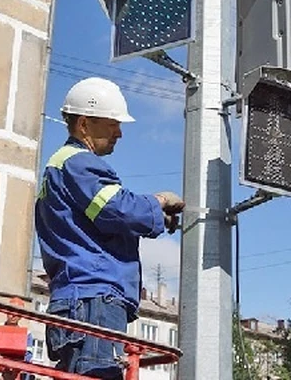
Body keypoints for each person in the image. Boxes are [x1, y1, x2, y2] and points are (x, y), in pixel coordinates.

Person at [34, 77, 184, 379]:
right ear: (85, 124)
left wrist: (150, 216)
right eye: (112, 123)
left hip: (82, 298)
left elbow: (102, 219)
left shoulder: (63, 167)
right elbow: (117, 209)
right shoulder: (80, 164)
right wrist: (158, 202)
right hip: (93, 298)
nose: (119, 132)